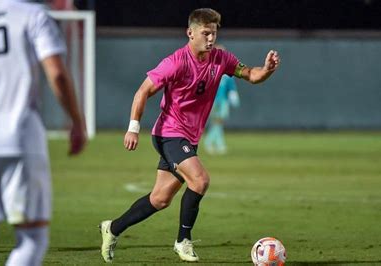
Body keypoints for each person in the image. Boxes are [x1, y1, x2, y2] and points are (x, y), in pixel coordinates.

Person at [99, 8, 280, 263]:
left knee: (160, 199)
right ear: (190, 33)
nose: (210, 38)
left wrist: (268, 69)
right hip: (169, 134)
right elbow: (142, 91)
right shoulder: (176, 62)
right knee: (200, 180)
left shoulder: (221, 59)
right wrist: (133, 128)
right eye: (205, 33)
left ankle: (113, 228)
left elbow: (252, 74)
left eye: (214, 33)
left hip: (188, 139)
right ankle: (183, 241)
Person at [0, 1, 87, 265]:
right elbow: (56, 73)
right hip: (20, 138)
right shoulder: (32, 15)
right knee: (32, 237)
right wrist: (76, 121)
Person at [203, 71, 240, 154]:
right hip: (215, 101)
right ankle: (211, 142)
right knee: (217, 122)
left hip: (221, 101)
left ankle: (216, 144)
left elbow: (231, 88)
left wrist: (233, 97)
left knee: (217, 123)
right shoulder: (212, 72)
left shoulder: (227, 75)